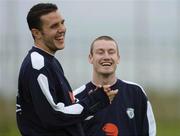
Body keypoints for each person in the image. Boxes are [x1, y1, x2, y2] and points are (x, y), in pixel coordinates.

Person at [16, 3, 118, 136]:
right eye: (54, 26)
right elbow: (53, 116)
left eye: (62, 23)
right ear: (36, 33)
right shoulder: (37, 65)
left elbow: (66, 110)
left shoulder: (50, 62)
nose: (62, 29)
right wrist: (94, 101)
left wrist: (94, 98)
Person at [74, 35, 156, 136]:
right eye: (100, 52)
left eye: (111, 52)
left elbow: (149, 132)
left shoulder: (136, 92)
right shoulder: (77, 97)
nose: (106, 57)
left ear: (118, 58)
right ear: (90, 58)